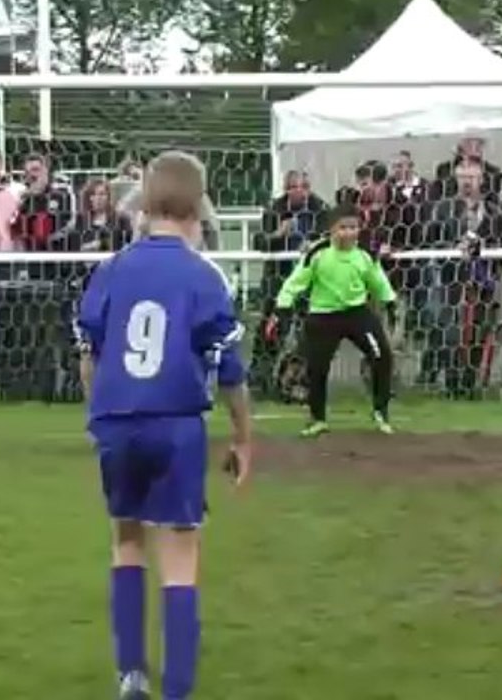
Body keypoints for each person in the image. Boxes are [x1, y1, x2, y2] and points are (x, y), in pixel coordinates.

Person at [75, 151, 253, 700]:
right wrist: (243, 437)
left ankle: (131, 674)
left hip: (117, 421)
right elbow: (229, 368)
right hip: (176, 423)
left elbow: (88, 354)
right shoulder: (203, 275)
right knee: (180, 556)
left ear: (145, 203)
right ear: (198, 207)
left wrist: (97, 415)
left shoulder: (111, 269)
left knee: (126, 541)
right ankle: (176, 689)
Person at [265, 205, 397, 438]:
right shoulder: (318, 253)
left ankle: (380, 412)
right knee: (317, 367)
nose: (349, 233)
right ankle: (318, 419)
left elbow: (377, 279)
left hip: (356, 312)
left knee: (381, 356)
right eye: (343, 228)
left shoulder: (365, 254)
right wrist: (282, 307)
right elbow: (296, 282)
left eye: (353, 227)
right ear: (332, 230)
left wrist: (390, 302)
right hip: (323, 315)